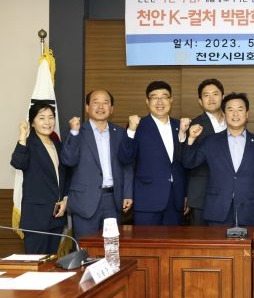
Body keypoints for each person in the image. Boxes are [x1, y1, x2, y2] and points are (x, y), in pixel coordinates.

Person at [182, 93, 254, 226]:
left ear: (247, 114)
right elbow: (189, 162)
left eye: (240, 110)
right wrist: (191, 139)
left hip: (248, 210)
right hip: (217, 209)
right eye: (230, 110)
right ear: (224, 114)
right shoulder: (211, 141)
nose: (235, 114)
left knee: (248, 241)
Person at [61, 90, 133, 238]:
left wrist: (127, 193)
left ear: (111, 108)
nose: (101, 106)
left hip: (113, 200)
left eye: (105, 102)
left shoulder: (120, 133)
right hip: (84, 201)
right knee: (85, 248)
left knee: (111, 247)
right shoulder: (77, 132)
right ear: (87, 107)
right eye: (96, 102)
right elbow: (68, 160)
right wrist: (74, 133)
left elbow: (127, 164)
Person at [119, 81, 188, 225]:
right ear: (147, 101)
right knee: (146, 239)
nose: (160, 101)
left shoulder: (180, 126)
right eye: (154, 97)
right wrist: (130, 131)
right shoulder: (138, 126)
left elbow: (185, 163)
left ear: (171, 100)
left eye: (164, 97)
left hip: (175, 200)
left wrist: (186, 194)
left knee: (174, 240)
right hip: (147, 200)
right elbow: (125, 158)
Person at [10, 102, 68, 254]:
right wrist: (22, 136)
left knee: (51, 262)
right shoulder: (28, 143)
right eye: (41, 118)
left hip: (57, 215)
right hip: (36, 217)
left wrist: (65, 199)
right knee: (36, 263)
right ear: (32, 123)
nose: (47, 122)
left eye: (51, 117)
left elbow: (65, 176)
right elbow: (18, 162)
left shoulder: (57, 144)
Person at [187, 78, 226, 226]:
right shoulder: (193, 126)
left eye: (215, 94)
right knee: (200, 237)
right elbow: (186, 160)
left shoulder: (234, 121)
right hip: (201, 195)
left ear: (222, 97)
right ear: (200, 101)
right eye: (206, 95)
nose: (211, 98)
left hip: (228, 194)